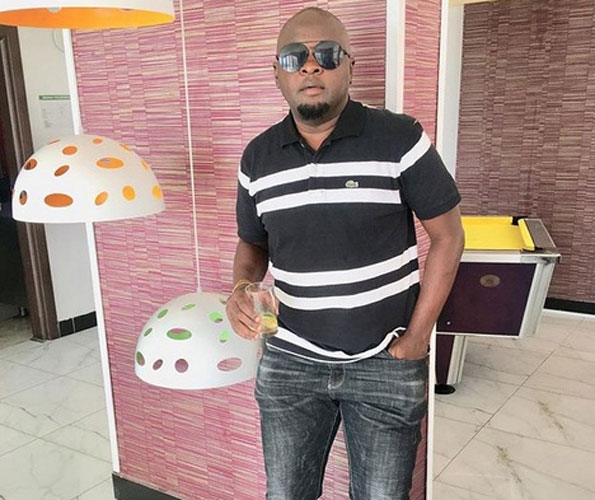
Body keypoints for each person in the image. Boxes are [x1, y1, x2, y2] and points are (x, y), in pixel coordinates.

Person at [225, 7, 464, 500]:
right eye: (294, 57)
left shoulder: (400, 138)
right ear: (277, 74)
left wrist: (417, 339)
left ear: (350, 67)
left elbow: (449, 237)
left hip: (385, 360)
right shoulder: (257, 158)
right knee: (286, 495)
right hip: (290, 362)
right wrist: (241, 289)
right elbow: (253, 243)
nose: (311, 66)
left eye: (327, 54)